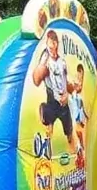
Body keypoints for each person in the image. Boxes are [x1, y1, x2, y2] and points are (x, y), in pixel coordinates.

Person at [32, 29, 80, 160]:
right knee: (49, 129)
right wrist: (42, 65)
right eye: (49, 44)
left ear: (56, 44)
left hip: (63, 104)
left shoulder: (62, 62)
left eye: (53, 43)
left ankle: (75, 159)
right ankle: (47, 158)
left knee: (69, 132)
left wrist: (71, 89)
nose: (51, 47)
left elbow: (65, 82)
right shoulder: (45, 61)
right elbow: (36, 79)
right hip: (52, 100)